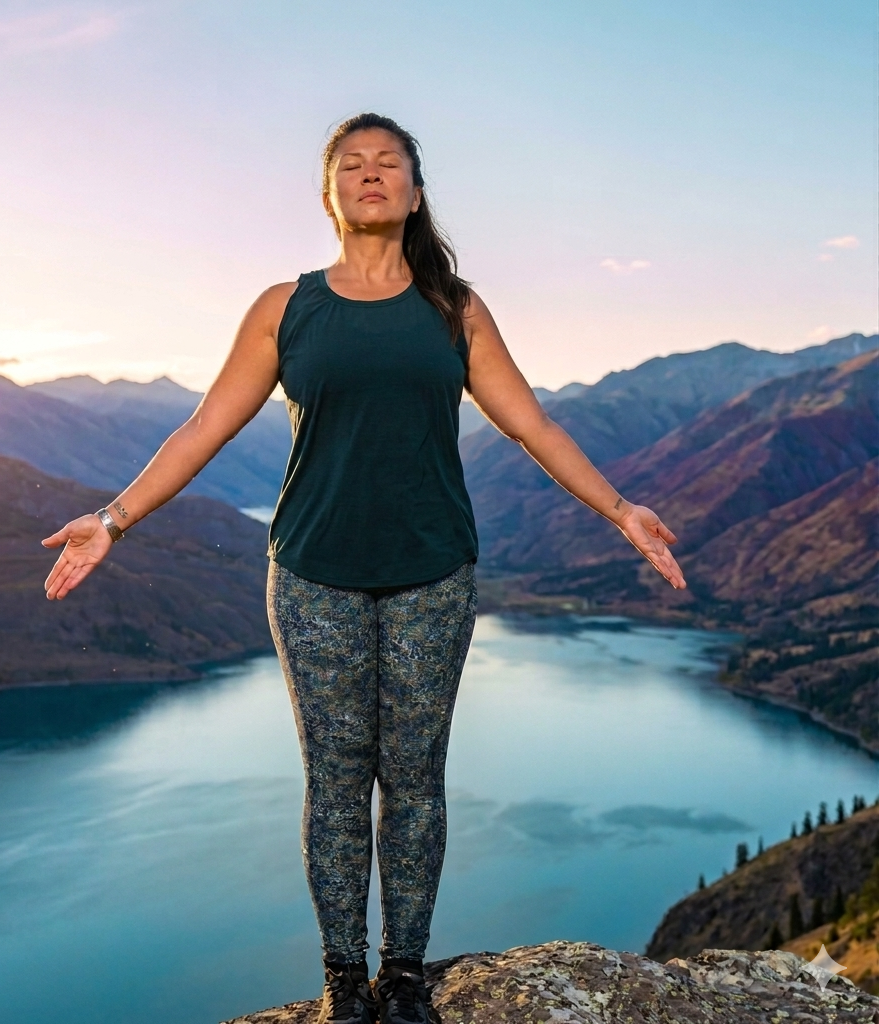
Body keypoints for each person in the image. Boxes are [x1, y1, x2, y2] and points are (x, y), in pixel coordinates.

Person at [42, 112, 686, 1024]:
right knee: (338, 781)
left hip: (433, 574)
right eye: (352, 164)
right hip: (313, 576)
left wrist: (620, 510)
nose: (371, 173)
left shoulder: (453, 309)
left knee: (415, 779)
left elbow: (531, 424)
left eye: (389, 163)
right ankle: (346, 983)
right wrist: (113, 519)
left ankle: (407, 977)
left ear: (416, 193)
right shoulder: (286, 308)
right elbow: (204, 427)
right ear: (329, 194)